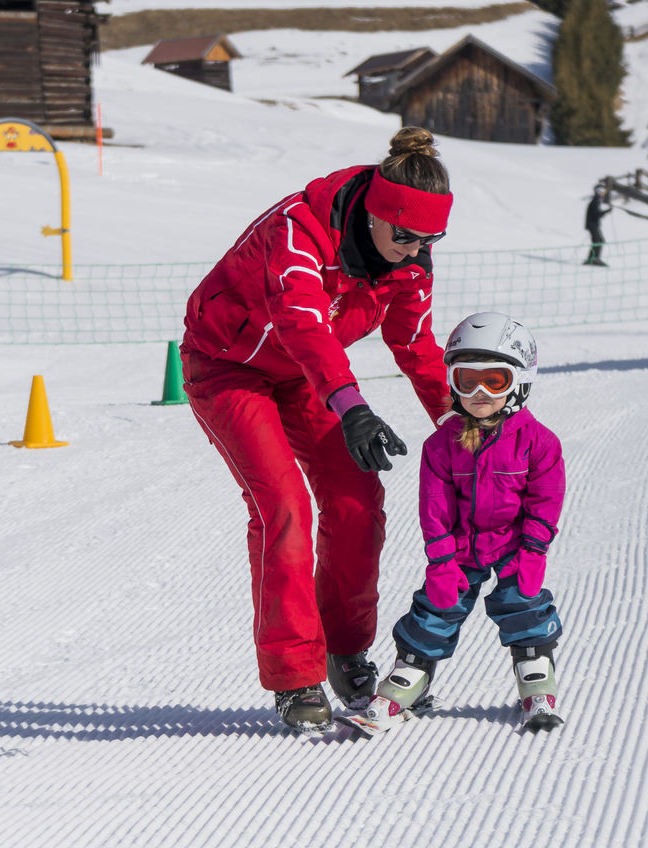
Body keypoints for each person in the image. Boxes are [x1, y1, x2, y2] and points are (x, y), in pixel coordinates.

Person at [180, 126, 454, 731]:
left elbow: (414, 344)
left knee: (358, 500)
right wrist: (352, 405)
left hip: (310, 379)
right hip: (229, 366)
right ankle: (294, 674)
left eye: (429, 239)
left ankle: (345, 647)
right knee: (282, 506)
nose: (413, 250)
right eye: (403, 235)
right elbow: (302, 320)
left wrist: (460, 425)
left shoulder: (409, 264)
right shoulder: (299, 227)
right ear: (374, 215)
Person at [362, 311, 567, 733]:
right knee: (437, 607)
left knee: (523, 605)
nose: (477, 392)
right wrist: (440, 560)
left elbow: (546, 500)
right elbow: (434, 507)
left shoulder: (539, 442)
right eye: (464, 379)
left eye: (494, 381)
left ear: (520, 383)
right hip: (461, 546)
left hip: (513, 544)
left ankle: (536, 679)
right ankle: (410, 675)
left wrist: (533, 550)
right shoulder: (441, 444)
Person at [584, 185, 612, 267]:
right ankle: (594, 259)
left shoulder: (596, 200)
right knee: (599, 241)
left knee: (597, 241)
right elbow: (597, 214)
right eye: (603, 192)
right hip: (593, 225)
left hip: (592, 225)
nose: (604, 194)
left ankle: (591, 258)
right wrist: (607, 211)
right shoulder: (595, 201)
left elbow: (597, 214)